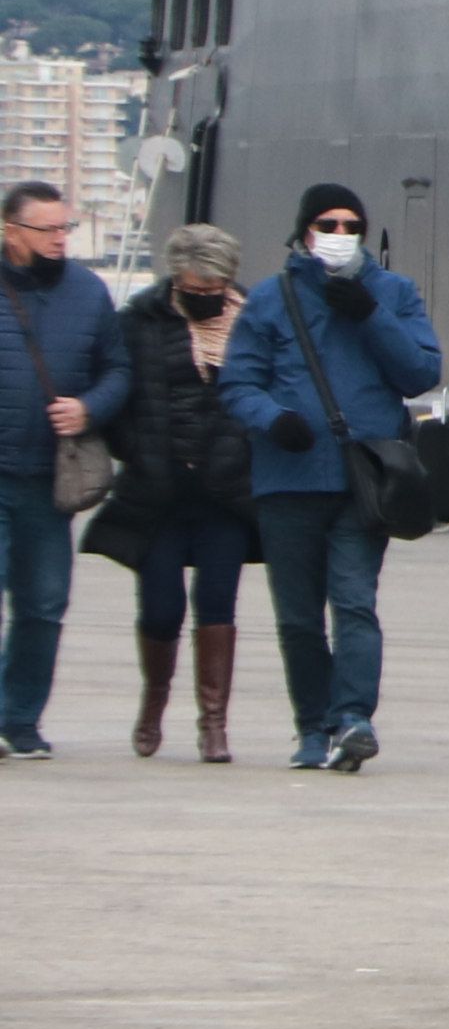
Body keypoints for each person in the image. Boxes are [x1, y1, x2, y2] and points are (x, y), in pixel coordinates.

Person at [221, 183, 442, 773]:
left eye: (352, 226)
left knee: (353, 602)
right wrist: (274, 418)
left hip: (362, 480)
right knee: (297, 616)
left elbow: (421, 371)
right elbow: (237, 382)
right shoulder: (271, 299)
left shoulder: (393, 293)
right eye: (329, 224)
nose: (341, 236)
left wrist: (369, 315)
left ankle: (352, 719)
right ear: (304, 230)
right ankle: (311, 727)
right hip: (288, 479)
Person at [86, 223, 258, 761]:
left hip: (226, 492)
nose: (206, 296)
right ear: (174, 278)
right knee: (160, 610)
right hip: (157, 491)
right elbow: (115, 390)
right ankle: (153, 701)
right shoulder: (138, 321)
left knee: (217, 604)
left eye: (215, 288)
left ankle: (213, 725)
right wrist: (137, 449)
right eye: (194, 288)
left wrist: (241, 454)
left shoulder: (255, 322)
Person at [0, 178, 129, 759]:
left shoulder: (89, 292)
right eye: (47, 229)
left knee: (44, 606)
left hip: (49, 481)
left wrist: (89, 408)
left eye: (65, 228)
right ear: (11, 232)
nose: (59, 239)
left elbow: (118, 370)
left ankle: (19, 721)